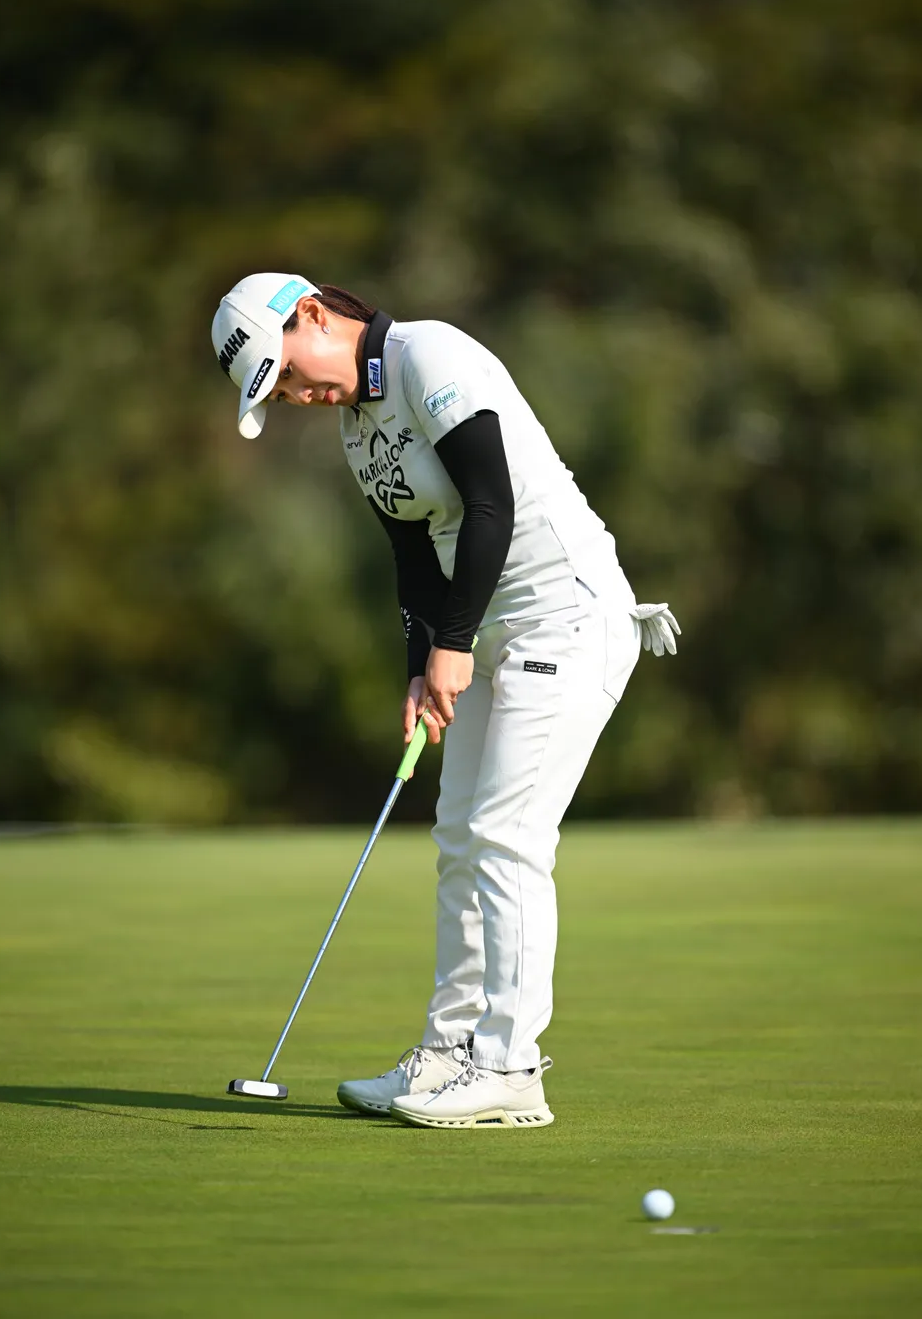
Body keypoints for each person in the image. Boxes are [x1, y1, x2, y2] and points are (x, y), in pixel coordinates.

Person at [211, 272, 679, 1129]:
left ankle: (509, 1066)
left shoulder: (428, 354)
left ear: (312, 315)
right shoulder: (358, 429)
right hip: (482, 633)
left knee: (506, 837)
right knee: (460, 837)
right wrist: (418, 664)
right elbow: (413, 556)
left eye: (287, 374)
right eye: (277, 394)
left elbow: (490, 503)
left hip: (564, 617)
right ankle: (447, 1052)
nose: (296, 397)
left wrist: (451, 645)